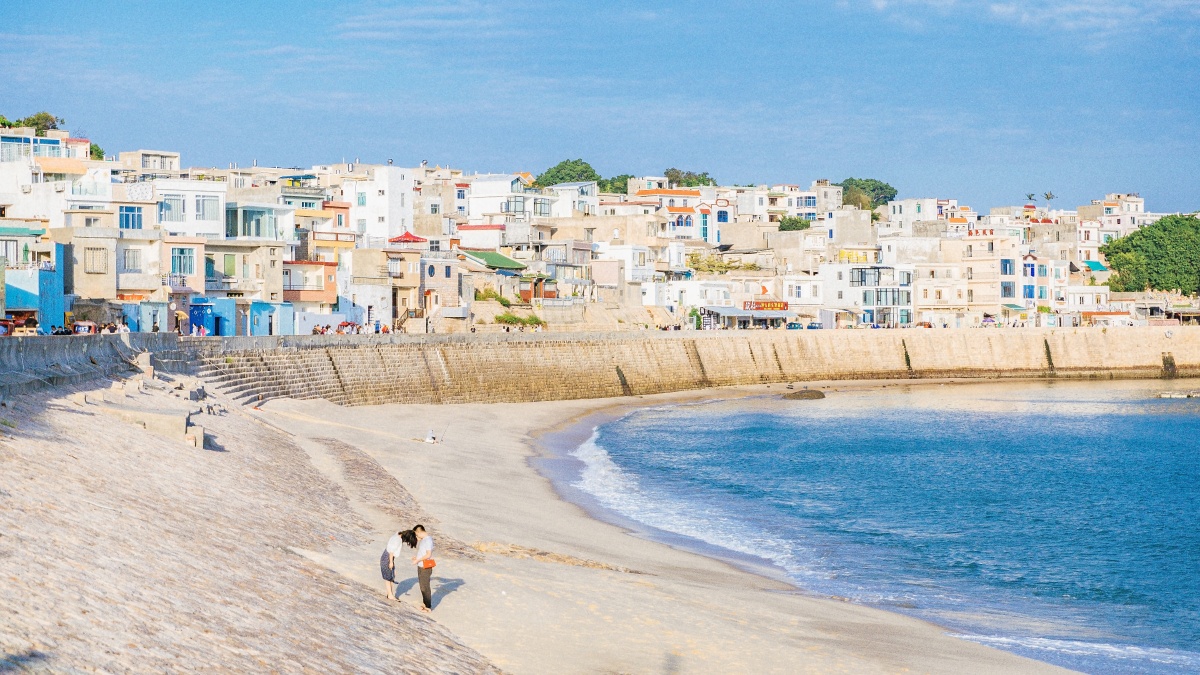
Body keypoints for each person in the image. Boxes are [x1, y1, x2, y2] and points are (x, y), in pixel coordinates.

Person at [409, 524, 435, 612]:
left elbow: (428, 554)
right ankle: (425, 604)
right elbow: (423, 553)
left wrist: (417, 560)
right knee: (422, 586)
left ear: (419, 532)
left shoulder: (428, 540)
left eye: (416, 534)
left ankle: (428, 607)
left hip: (425, 567)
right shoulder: (424, 540)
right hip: (421, 565)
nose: (416, 536)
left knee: (425, 586)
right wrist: (417, 559)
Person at [381, 530, 405, 600]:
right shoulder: (398, 539)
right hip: (388, 558)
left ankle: (390, 594)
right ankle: (390, 595)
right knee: (388, 578)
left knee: (390, 576)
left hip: (386, 556)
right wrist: (391, 562)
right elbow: (391, 552)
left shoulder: (396, 535)